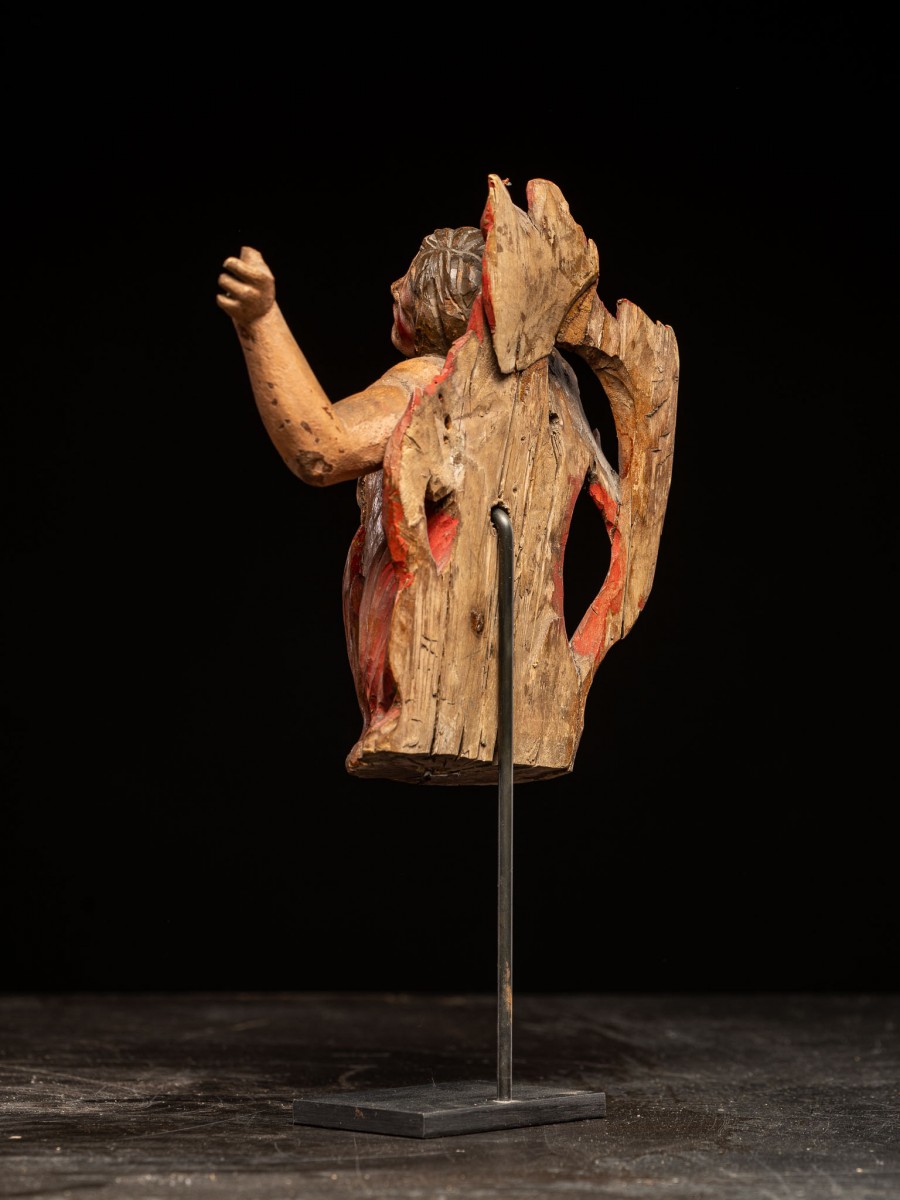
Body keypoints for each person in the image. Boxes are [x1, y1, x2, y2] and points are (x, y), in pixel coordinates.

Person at [215, 227, 486, 488]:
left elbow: (321, 450)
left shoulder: (429, 382)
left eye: (414, 287)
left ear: (440, 315)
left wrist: (261, 318)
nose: (395, 287)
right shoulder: (485, 387)